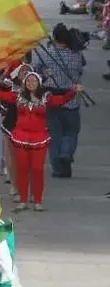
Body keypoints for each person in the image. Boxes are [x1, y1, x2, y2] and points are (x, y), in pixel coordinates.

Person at [0, 69, 78, 211]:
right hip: (21, 136)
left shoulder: (46, 98)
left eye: (34, 80)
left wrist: (73, 92)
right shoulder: (17, 96)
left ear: (39, 83)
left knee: (37, 169)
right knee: (22, 168)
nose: (31, 83)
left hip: (39, 138)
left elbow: (61, 100)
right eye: (28, 80)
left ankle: (37, 201)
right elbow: (0, 94)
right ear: (24, 83)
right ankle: (23, 200)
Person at [34, 24, 86, 179]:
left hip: (52, 99)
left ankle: (57, 167)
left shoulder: (47, 54)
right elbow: (80, 70)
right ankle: (66, 153)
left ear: (54, 37)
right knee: (71, 132)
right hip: (72, 100)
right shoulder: (76, 55)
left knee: (54, 134)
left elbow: (37, 74)